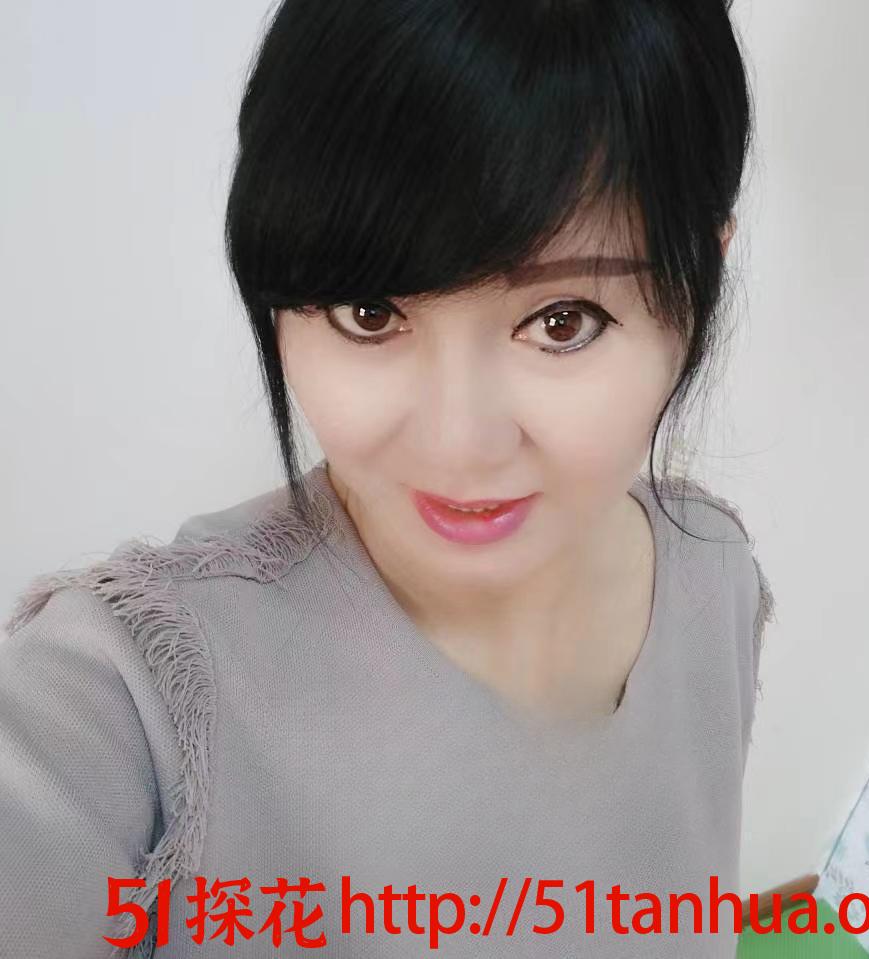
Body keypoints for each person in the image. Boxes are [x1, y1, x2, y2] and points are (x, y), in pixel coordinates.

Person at [0, 0, 774, 955]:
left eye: (563, 320)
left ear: (701, 283)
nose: (459, 444)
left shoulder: (715, 575)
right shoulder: (125, 695)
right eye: (369, 312)